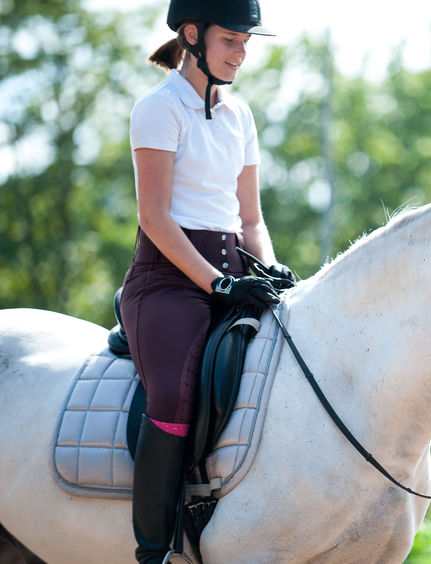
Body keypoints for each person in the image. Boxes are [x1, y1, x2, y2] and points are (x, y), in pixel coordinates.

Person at [119, 1, 292, 561]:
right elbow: (156, 219)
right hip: (167, 281)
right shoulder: (158, 109)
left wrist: (268, 269)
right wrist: (218, 286)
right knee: (172, 395)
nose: (242, 54)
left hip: (235, 271)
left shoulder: (240, 114)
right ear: (192, 35)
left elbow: (251, 219)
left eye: (246, 42)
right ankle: (153, 551)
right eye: (231, 41)